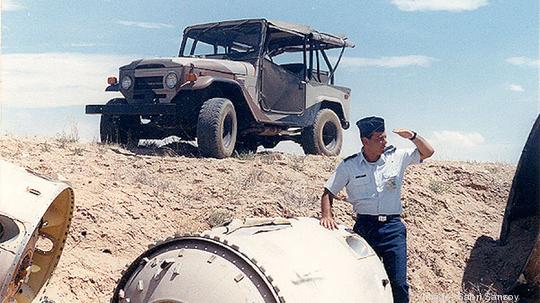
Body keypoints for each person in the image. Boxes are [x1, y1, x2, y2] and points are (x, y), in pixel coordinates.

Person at [320, 116, 434, 303]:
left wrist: (412, 136)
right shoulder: (350, 165)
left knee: (398, 283)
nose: (385, 142)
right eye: (379, 138)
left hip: (392, 229)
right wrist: (327, 215)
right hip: (365, 229)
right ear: (365, 141)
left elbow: (428, 152)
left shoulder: (396, 157)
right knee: (363, 281)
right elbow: (328, 191)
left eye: (385, 137)